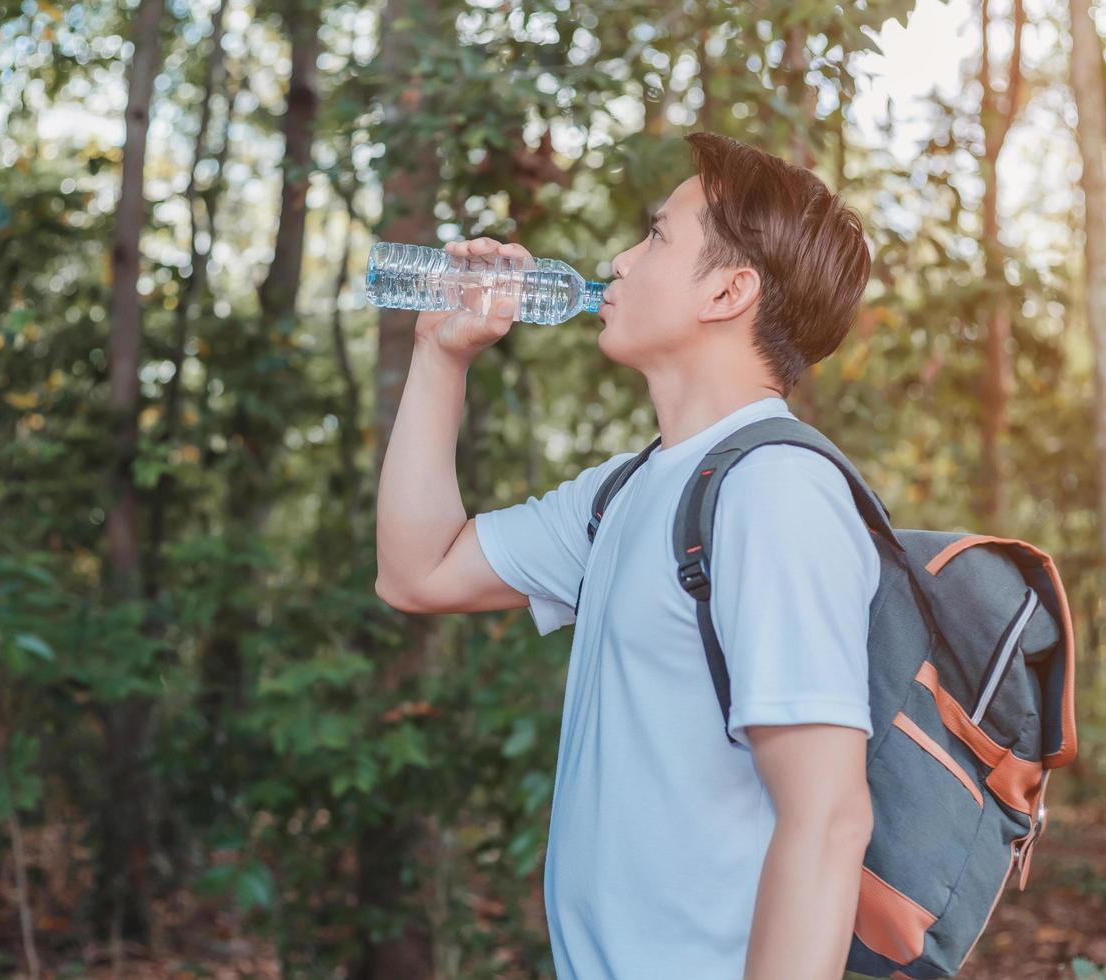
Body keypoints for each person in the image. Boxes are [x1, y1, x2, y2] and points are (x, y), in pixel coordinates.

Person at [374, 131, 879, 980]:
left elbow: (827, 817)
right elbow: (416, 572)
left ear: (729, 289)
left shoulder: (777, 492)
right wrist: (440, 354)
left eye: (655, 237)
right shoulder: (630, 490)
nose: (618, 257)